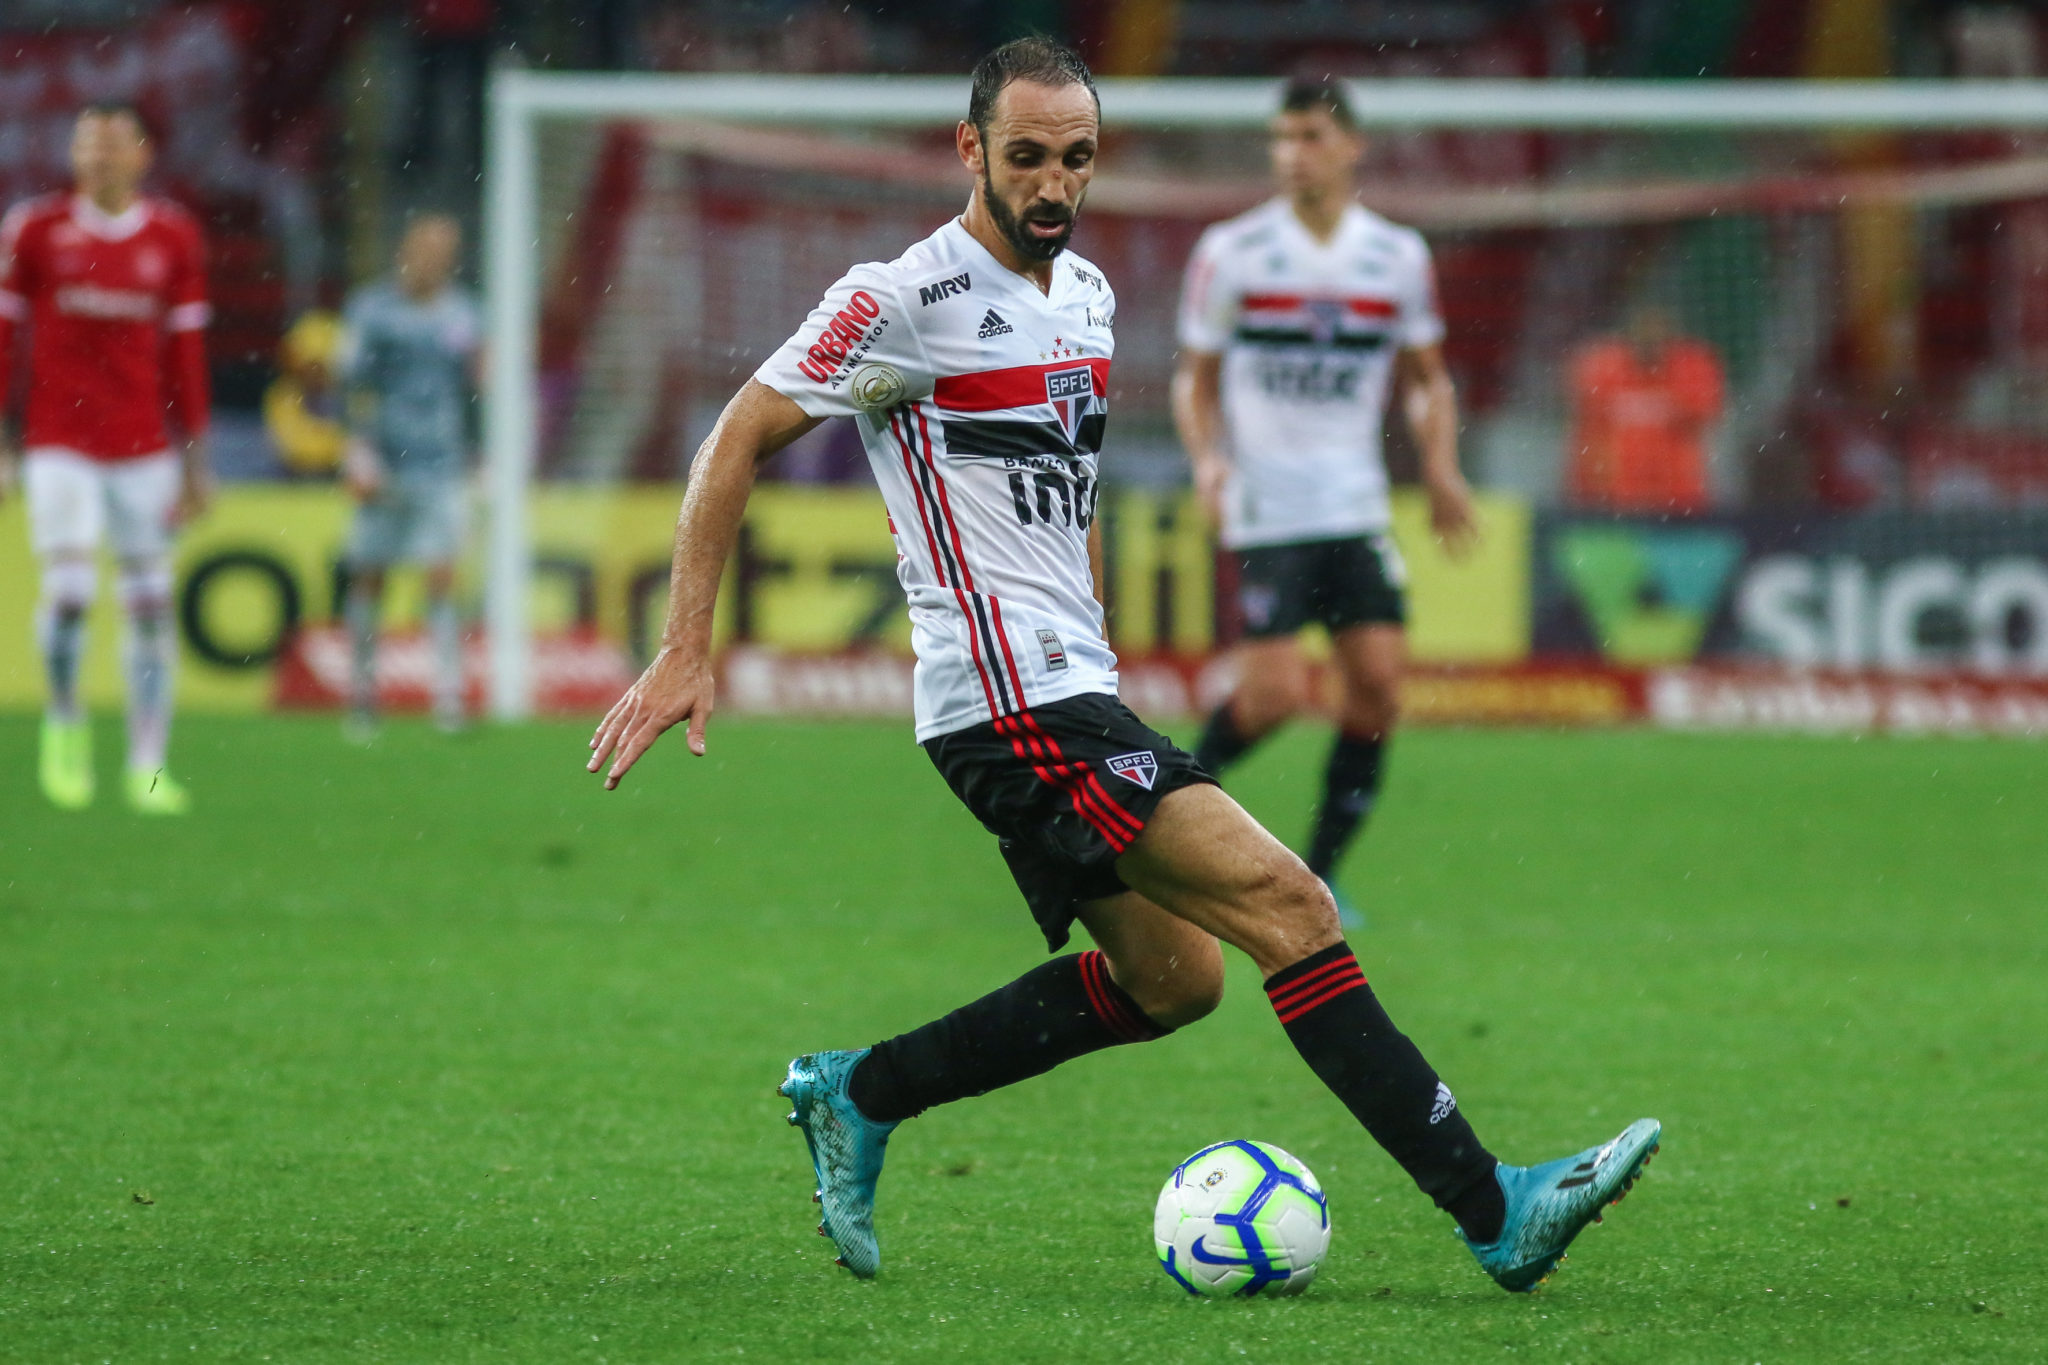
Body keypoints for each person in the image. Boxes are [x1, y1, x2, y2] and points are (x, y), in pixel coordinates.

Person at [586, 38, 1657, 1292]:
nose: (1052, 184)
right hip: (1001, 702)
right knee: (1293, 912)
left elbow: (1060, 483)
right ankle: (1495, 1209)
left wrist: (1090, 626)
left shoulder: (1085, 298)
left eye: (1076, 159)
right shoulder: (898, 298)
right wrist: (681, 649)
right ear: (968, 148)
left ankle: (858, 1092)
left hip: (1065, 685)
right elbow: (734, 438)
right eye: (1026, 156)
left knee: (1172, 978)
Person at [1174, 77, 1476, 926]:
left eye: (1307, 136)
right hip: (1268, 505)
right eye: (1280, 138)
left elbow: (1427, 380)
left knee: (1377, 689)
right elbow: (1193, 380)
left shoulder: (1397, 257)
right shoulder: (1231, 252)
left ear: (1350, 146)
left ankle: (1321, 872)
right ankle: (1151, 817)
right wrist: (1207, 461)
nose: (1289, 154)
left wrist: (1442, 466)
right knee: (1271, 698)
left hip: (1355, 504)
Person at [0, 103, 212, 814]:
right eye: (87, 143)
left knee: (151, 608)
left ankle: (149, 767)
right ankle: (64, 718)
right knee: (70, 595)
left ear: (143, 154)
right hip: (59, 442)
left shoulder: (172, 237)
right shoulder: (34, 230)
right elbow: (5, 342)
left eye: (113, 144)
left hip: (144, 447)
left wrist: (195, 459)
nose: (98, 157)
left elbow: (186, 355)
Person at [338, 212, 482, 737]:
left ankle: (448, 699)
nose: (435, 260)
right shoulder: (372, 311)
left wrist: (480, 455)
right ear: (407, 249)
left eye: (445, 252)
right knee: (370, 576)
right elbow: (349, 386)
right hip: (384, 461)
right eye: (427, 249)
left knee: (442, 576)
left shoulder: (465, 315)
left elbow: (476, 392)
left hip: (441, 464)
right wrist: (356, 454)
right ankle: (361, 697)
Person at [1566, 304, 1724, 515]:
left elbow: (1705, 414)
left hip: (1677, 498)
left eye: (1657, 334)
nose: (1651, 341)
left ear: (1670, 337)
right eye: (1644, 333)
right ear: (1630, 336)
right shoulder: (1605, 370)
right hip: (1616, 498)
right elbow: (1587, 429)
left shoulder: (1690, 370)